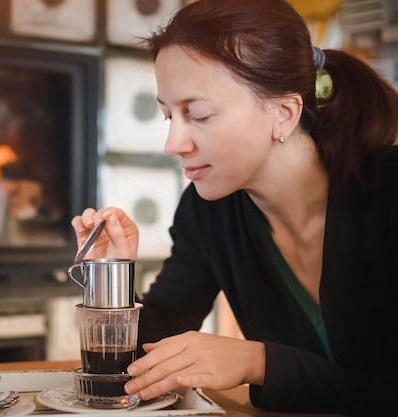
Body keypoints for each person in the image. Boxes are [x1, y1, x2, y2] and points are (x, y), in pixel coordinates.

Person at [71, 0, 398, 415]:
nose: (173, 145)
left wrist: (257, 361)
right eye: (169, 116)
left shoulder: (389, 193)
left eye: (200, 114)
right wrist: (111, 280)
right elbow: (149, 356)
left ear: (284, 112)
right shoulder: (209, 211)